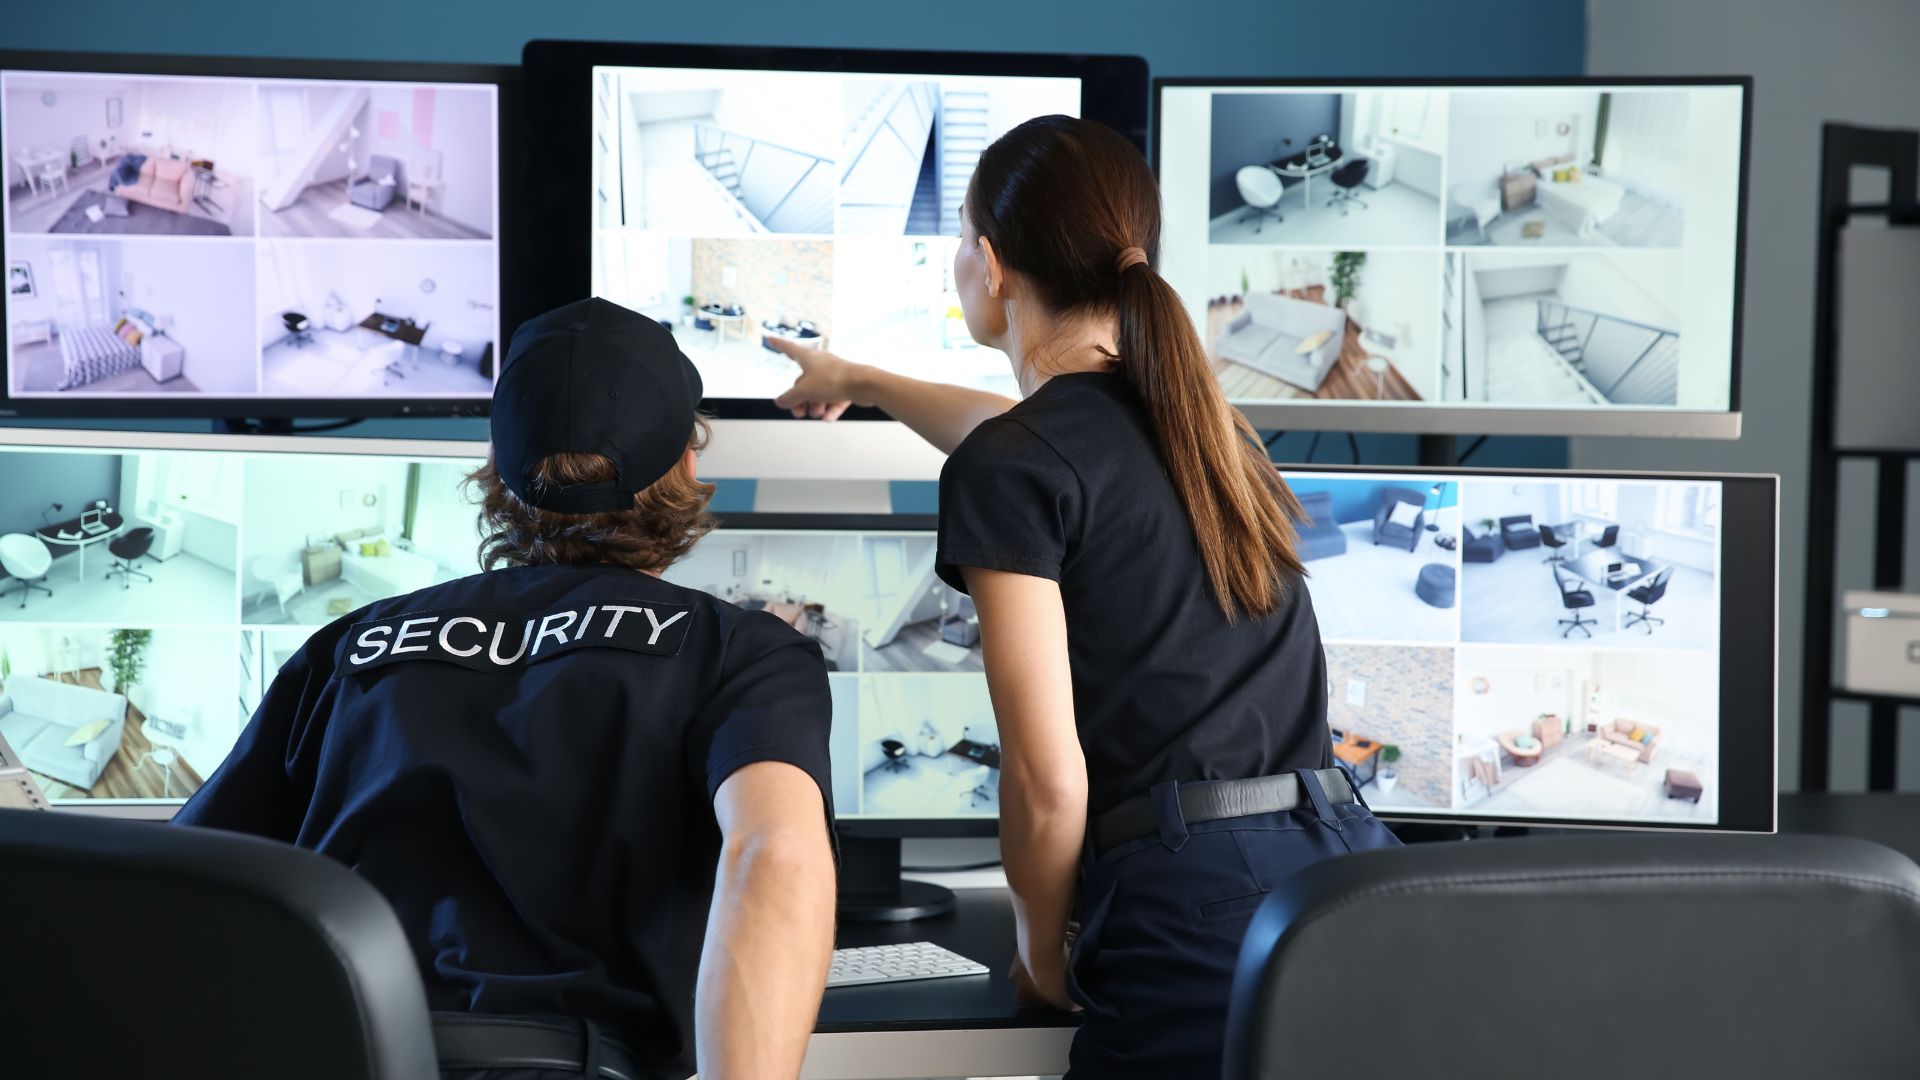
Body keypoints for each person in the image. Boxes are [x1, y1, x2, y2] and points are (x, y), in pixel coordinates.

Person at [767, 115, 1400, 1077]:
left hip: (1193, 908)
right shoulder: (1211, 430)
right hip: (1348, 881)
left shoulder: (1019, 465)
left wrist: (1035, 950)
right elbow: (1014, 432)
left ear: (989, 262)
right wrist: (858, 376)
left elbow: (1045, 778)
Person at [176, 298, 838, 1080]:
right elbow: (777, 852)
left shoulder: (352, 646)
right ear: (686, 468)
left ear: (496, 471)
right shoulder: (737, 652)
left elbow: (186, 880)